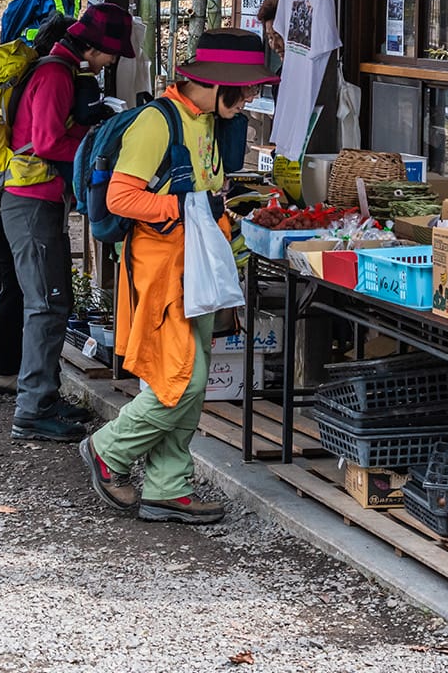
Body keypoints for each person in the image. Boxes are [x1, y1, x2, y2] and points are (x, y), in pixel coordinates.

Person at [79, 27, 278, 524]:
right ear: (215, 83)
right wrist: (188, 205)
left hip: (197, 268)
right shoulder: (156, 123)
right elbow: (119, 199)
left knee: (188, 375)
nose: (252, 95)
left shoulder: (207, 120)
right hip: (164, 269)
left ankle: (168, 486)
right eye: (247, 87)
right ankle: (109, 450)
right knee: (183, 381)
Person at [1, 2, 134, 442]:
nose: (113, 61)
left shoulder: (55, 67)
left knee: (52, 301)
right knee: (45, 304)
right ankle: (32, 408)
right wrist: (97, 140)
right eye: (112, 53)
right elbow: (47, 141)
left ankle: (44, 393)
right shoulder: (56, 74)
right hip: (31, 202)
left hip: (38, 202)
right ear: (94, 47)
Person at [0, 17, 70, 397]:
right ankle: (4, 369)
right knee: (14, 280)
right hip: (5, 185)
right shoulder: (41, 79)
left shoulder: (8, 75)